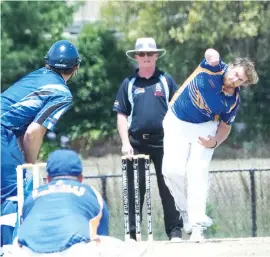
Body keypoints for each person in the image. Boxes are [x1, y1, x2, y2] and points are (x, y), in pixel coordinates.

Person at [162, 48, 259, 242]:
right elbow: (210, 53)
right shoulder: (212, 68)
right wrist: (212, 54)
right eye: (236, 74)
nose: (234, 80)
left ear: (244, 84)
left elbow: (226, 126)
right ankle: (186, 213)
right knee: (172, 171)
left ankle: (197, 226)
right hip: (177, 120)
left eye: (240, 80)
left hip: (205, 127)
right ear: (231, 66)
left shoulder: (233, 100)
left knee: (197, 171)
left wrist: (214, 141)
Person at [1, 39, 81, 246]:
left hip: (6, 131)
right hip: (2, 132)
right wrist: (30, 164)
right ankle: (9, 250)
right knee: (14, 194)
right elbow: (33, 133)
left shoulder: (37, 76)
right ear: (76, 68)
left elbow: (18, 119)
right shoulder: (62, 93)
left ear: (48, 63)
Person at [12, 150, 146, 257]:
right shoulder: (91, 193)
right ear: (81, 178)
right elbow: (100, 235)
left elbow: (24, 228)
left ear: (47, 179)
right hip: (74, 251)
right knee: (128, 248)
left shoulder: (32, 195)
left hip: (27, 252)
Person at [113, 37, 182, 241]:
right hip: (136, 143)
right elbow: (121, 115)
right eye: (141, 54)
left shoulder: (166, 80)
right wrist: (125, 143)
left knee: (169, 186)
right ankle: (133, 234)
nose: (146, 58)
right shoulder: (128, 83)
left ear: (156, 56)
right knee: (135, 189)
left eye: (150, 54)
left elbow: (178, 110)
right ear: (136, 57)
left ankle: (175, 231)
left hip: (164, 142)